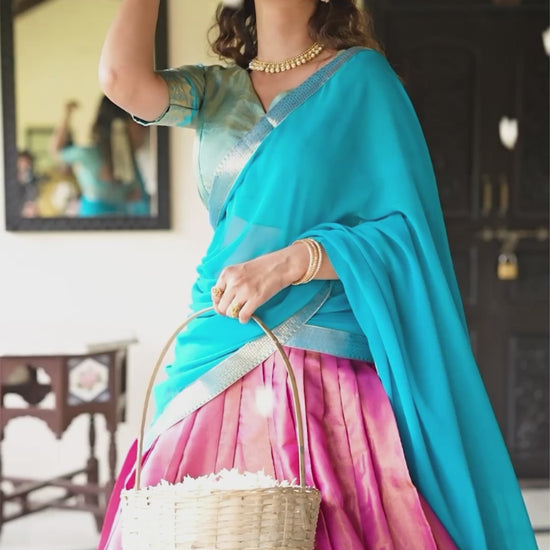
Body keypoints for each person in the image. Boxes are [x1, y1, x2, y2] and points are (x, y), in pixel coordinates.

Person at [97, 1, 537, 549]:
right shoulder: (215, 90)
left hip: (324, 359)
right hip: (217, 338)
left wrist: (289, 263)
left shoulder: (363, 81)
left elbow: (405, 234)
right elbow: (120, 78)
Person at [51, 97, 150, 217]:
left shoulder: (131, 163)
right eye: (137, 124)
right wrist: (67, 114)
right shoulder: (90, 156)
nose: (143, 130)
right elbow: (57, 151)